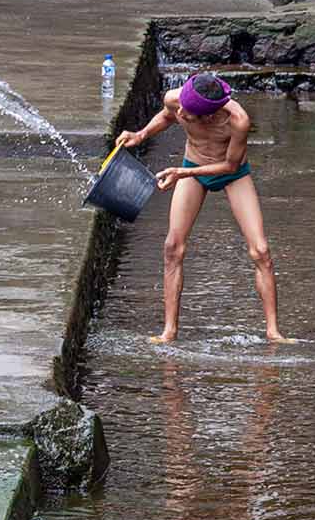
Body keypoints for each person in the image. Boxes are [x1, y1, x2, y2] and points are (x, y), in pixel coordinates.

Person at [114, 72, 290, 343]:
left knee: (261, 251)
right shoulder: (176, 100)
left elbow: (230, 165)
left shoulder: (238, 121)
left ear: (209, 116)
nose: (181, 112)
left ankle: (273, 332)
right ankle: (169, 331)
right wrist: (141, 134)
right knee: (173, 247)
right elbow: (166, 115)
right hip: (192, 166)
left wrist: (182, 175)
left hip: (232, 174)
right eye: (181, 106)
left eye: (189, 113)